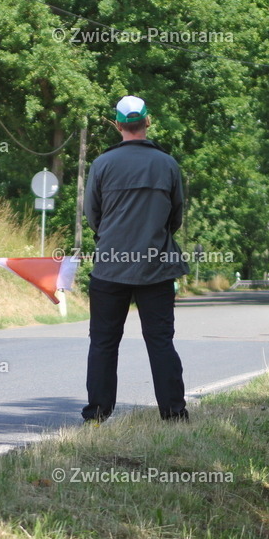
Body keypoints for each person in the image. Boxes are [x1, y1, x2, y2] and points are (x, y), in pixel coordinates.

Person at [82, 95, 189, 423]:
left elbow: (92, 215)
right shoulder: (168, 164)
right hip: (156, 269)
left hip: (110, 266)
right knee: (160, 341)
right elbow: (176, 216)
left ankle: (98, 414)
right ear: (148, 122)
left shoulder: (102, 165)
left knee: (103, 341)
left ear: (117, 124)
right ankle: (173, 413)